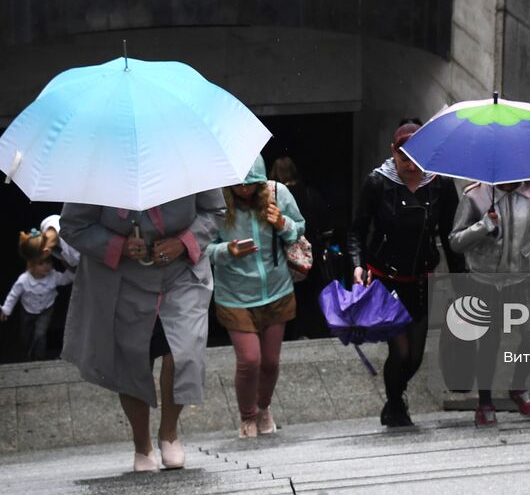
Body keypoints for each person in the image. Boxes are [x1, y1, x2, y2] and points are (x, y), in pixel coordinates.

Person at [60, 191, 223, 473]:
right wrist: (118, 245)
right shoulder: (98, 170)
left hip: (181, 273)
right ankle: (142, 444)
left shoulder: (189, 157)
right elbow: (74, 227)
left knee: (185, 349)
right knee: (132, 357)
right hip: (122, 278)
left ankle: (169, 433)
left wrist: (183, 242)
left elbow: (215, 212)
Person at [349, 120, 466, 427]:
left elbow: (451, 236)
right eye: (404, 159)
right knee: (400, 351)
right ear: (393, 152)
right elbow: (357, 231)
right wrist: (357, 264)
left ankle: (394, 399)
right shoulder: (377, 182)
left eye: (417, 159)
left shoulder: (439, 184)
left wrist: (460, 282)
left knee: (415, 356)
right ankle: (396, 405)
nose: (411, 166)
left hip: (421, 279)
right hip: (386, 278)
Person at [446, 180, 530, 426]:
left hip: (524, 277)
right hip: (485, 279)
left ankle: (518, 386)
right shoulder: (475, 194)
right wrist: (483, 226)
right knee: (489, 342)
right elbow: (455, 241)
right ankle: (485, 402)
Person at [209, 155, 307, 438]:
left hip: (277, 290)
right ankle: (247, 415)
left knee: (270, 362)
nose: (244, 190)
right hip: (235, 295)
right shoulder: (216, 202)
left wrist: (283, 224)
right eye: (238, 185)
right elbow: (203, 248)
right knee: (249, 360)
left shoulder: (278, 193)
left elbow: (299, 228)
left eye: (251, 185)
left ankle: (263, 407)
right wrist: (228, 250)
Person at [269, 155, 332, 339]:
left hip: (281, 256)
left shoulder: (272, 197)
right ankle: (310, 331)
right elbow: (325, 225)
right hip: (309, 254)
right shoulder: (310, 193)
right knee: (309, 297)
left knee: (286, 297)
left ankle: (289, 334)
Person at [0, 230, 75, 361]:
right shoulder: (24, 280)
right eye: (41, 263)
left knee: (40, 334)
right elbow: (14, 294)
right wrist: (6, 309)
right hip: (28, 311)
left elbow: (65, 279)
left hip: (46, 309)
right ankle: (26, 352)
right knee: (26, 333)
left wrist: (74, 269)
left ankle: (39, 357)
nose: (46, 266)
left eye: (48, 262)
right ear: (32, 265)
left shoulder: (53, 276)